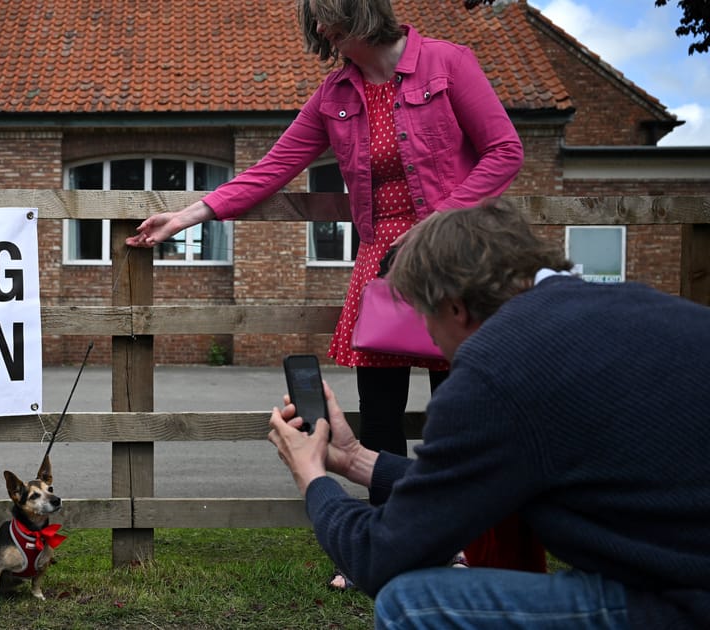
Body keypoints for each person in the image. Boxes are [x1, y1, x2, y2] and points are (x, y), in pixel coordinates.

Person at [126, 0, 527, 586]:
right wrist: (187, 216)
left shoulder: (448, 64)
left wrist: (435, 223)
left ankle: (456, 542)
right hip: (380, 269)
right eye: (312, 18)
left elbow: (504, 151)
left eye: (328, 13)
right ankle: (393, 543)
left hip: (454, 257)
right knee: (382, 412)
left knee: (454, 412)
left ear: (361, 11)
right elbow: (273, 168)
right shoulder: (335, 93)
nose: (318, 27)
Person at [266, 199, 710, 628]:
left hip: (682, 602)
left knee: (414, 605)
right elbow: (470, 482)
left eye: (424, 318)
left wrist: (312, 478)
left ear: (456, 307)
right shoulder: (636, 305)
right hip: (681, 569)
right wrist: (356, 458)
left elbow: (379, 556)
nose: (431, 342)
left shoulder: (496, 371)